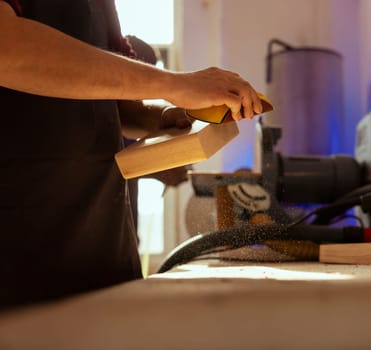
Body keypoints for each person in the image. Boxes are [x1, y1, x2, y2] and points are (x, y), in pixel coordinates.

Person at [0, 0, 262, 309]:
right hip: (18, 255)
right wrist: (175, 83)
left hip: (104, 247)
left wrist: (168, 115)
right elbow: (7, 50)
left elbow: (116, 103)